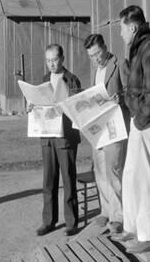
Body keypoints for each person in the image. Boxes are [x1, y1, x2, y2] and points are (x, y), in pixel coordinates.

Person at [111, 5, 150, 253]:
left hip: (146, 122)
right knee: (131, 176)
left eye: (122, 29)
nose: (121, 34)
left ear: (133, 27)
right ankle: (132, 228)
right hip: (140, 121)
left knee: (145, 178)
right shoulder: (140, 50)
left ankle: (149, 237)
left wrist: (140, 119)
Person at [84, 34, 129, 235]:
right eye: (91, 56)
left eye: (98, 54)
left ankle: (119, 216)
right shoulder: (95, 70)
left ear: (105, 47)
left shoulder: (119, 64)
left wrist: (122, 97)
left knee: (114, 171)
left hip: (115, 127)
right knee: (99, 171)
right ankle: (106, 211)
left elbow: (132, 90)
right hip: (98, 128)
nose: (96, 59)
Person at [35, 44, 82, 237]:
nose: (51, 64)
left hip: (65, 136)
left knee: (68, 179)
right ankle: (49, 221)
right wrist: (33, 106)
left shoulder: (72, 80)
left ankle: (71, 222)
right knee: (49, 180)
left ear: (62, 59)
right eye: (48, 60)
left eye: (54, 60)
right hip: (47, 136)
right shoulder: (44, 80)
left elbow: (79, 107)